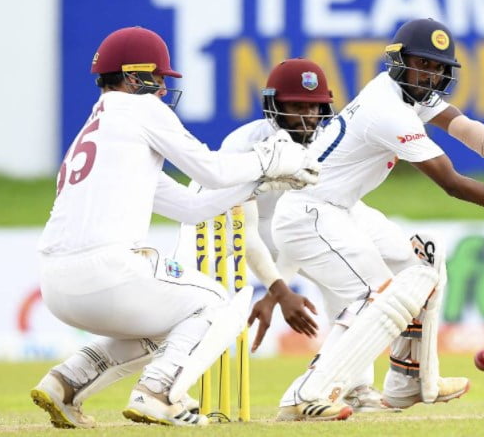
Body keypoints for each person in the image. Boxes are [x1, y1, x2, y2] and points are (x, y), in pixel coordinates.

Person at [269, 18, 484, 421]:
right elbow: (450, 182)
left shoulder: (411, 93)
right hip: (309, 214)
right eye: (422, 64)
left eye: (437, 68)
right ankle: (305, 394)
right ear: (400, 62)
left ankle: (408, 381)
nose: (429, 75)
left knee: (423, 262)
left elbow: (464, 128)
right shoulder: (387, 110)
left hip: (342, 208)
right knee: (378, 295)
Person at [30, 26, 321, 428]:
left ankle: (66, 381)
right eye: (159, 78)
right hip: (106, 272)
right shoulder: (140, 109)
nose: (165, 89)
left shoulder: (103, 127)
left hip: (56, 284)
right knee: (219, 303)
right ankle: (158, 392)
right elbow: (211, 170)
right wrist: (270, 159)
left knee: (174, 323)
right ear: (135, 77)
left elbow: (191, 208)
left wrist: (258, 183)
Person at [174, 58, 423, 417]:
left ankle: (355, 388)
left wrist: (276, 293)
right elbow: (244, 230)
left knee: (349, 286)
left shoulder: (328, 143)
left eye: (314, 107)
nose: (307, 116)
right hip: (226, 232)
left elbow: (306, 228)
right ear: (273, 105)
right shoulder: (244, 144)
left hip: (289, 228)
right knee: (197, 307)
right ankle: (169, 386)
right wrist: (278, 290)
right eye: (296, 106)